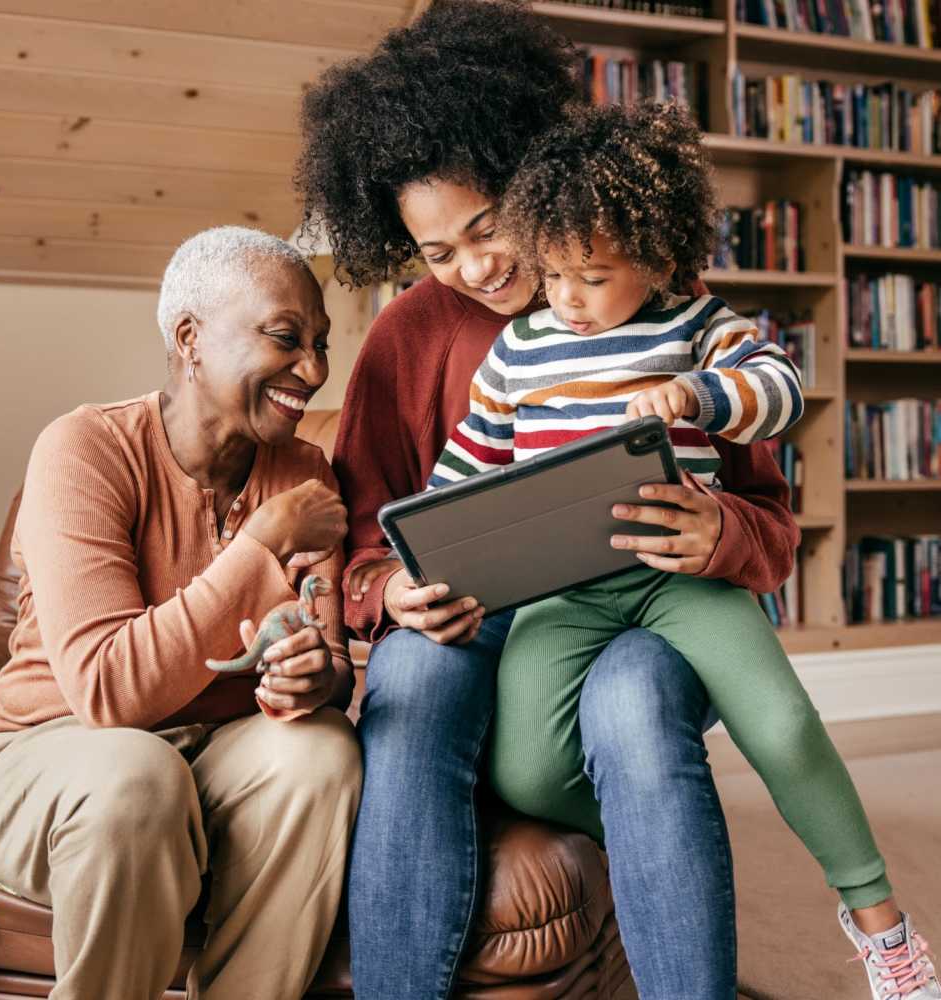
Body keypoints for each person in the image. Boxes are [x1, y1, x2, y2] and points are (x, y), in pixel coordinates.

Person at [296, 4, 801, 998]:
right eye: (436, 252)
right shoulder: (405, 336)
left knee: (634, 696)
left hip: (641, 607)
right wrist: (390, 594)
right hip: (478, 618)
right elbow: (364, 536)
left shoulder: (650, 294)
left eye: (484, 227)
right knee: (414, 682)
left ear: (528, 178)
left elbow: (769, 523)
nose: (473, 266)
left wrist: (716, 531)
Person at [428, 101, 938, 1000]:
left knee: (782, 725)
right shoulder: (515, 352)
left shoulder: (697, 322)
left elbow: (780, 388)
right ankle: (666, 833)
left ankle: (881, 925)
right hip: (564, 592)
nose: (567, 299)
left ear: (656, 259)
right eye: (551, 274)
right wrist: (427, 554)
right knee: (525, 767)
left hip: (680, 580)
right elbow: (463, 471)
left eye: (592, 275)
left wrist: (699, 395)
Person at [0, 227, 362, 1000]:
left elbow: (331, 664)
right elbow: (108, 693)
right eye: (285, 338)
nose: (314, 369)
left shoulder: (303, 469)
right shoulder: (83, 449)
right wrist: (261, 545)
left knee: (322, 751)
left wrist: (315, 680)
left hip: (209, 753)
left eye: (321, 343)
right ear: (190, 338)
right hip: (44, 752)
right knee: (137, 774)